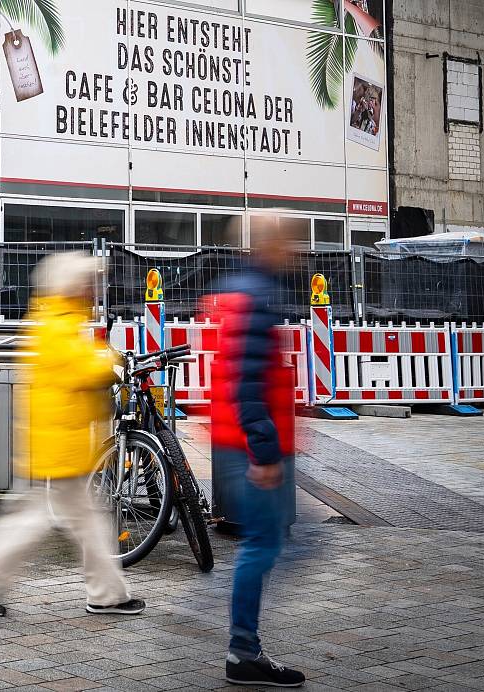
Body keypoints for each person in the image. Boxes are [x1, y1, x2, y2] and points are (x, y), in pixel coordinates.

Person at [0, 251, 143, 618]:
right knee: (38, 522)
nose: (94, 289)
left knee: (75, 522)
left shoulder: (56, 320)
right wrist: (113, 359)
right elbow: (84, 370)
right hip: (59, 447)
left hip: (59, 443)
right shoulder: (59, 326)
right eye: (88, 283)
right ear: (73, 286)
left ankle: (106, 594)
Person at [204, 218, 305, 688]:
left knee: (269, 542)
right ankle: (242, 649)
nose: (296, 249)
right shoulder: (256, 296)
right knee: (263, 544)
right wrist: (264, 454)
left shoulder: (245, 289)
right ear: (269, 245)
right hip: (253, 444)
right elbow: (247, 382)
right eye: (288, 240)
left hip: (243, 439)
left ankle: (239, 637)